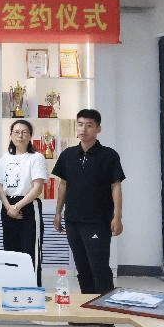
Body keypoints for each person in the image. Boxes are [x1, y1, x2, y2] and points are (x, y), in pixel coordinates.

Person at [53, 109, 125, 294]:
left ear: (98, 129)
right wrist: (58, 212)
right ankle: (87, 305)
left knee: (99, 267)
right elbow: (63, 185)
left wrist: (117, 217)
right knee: (82, 267)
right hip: (72, 220)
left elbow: (116, 186)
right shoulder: (68, 154)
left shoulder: (109, 155)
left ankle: (105, 308)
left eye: (89, 125)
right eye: (80, 124)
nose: (83, 129)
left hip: (97, 222)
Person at [0, 119, 47, 286]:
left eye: (24, 132)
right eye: (16, 132)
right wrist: (8, 207)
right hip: (7, 206)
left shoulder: (36, 157)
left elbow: (37, 188)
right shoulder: (4, 158)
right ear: (10, 135)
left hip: (28, 206)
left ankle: (32, 290)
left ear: (30, 136)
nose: (20, 135)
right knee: (10, 252)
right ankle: (13, 290)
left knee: (30, 251)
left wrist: (17, 206)